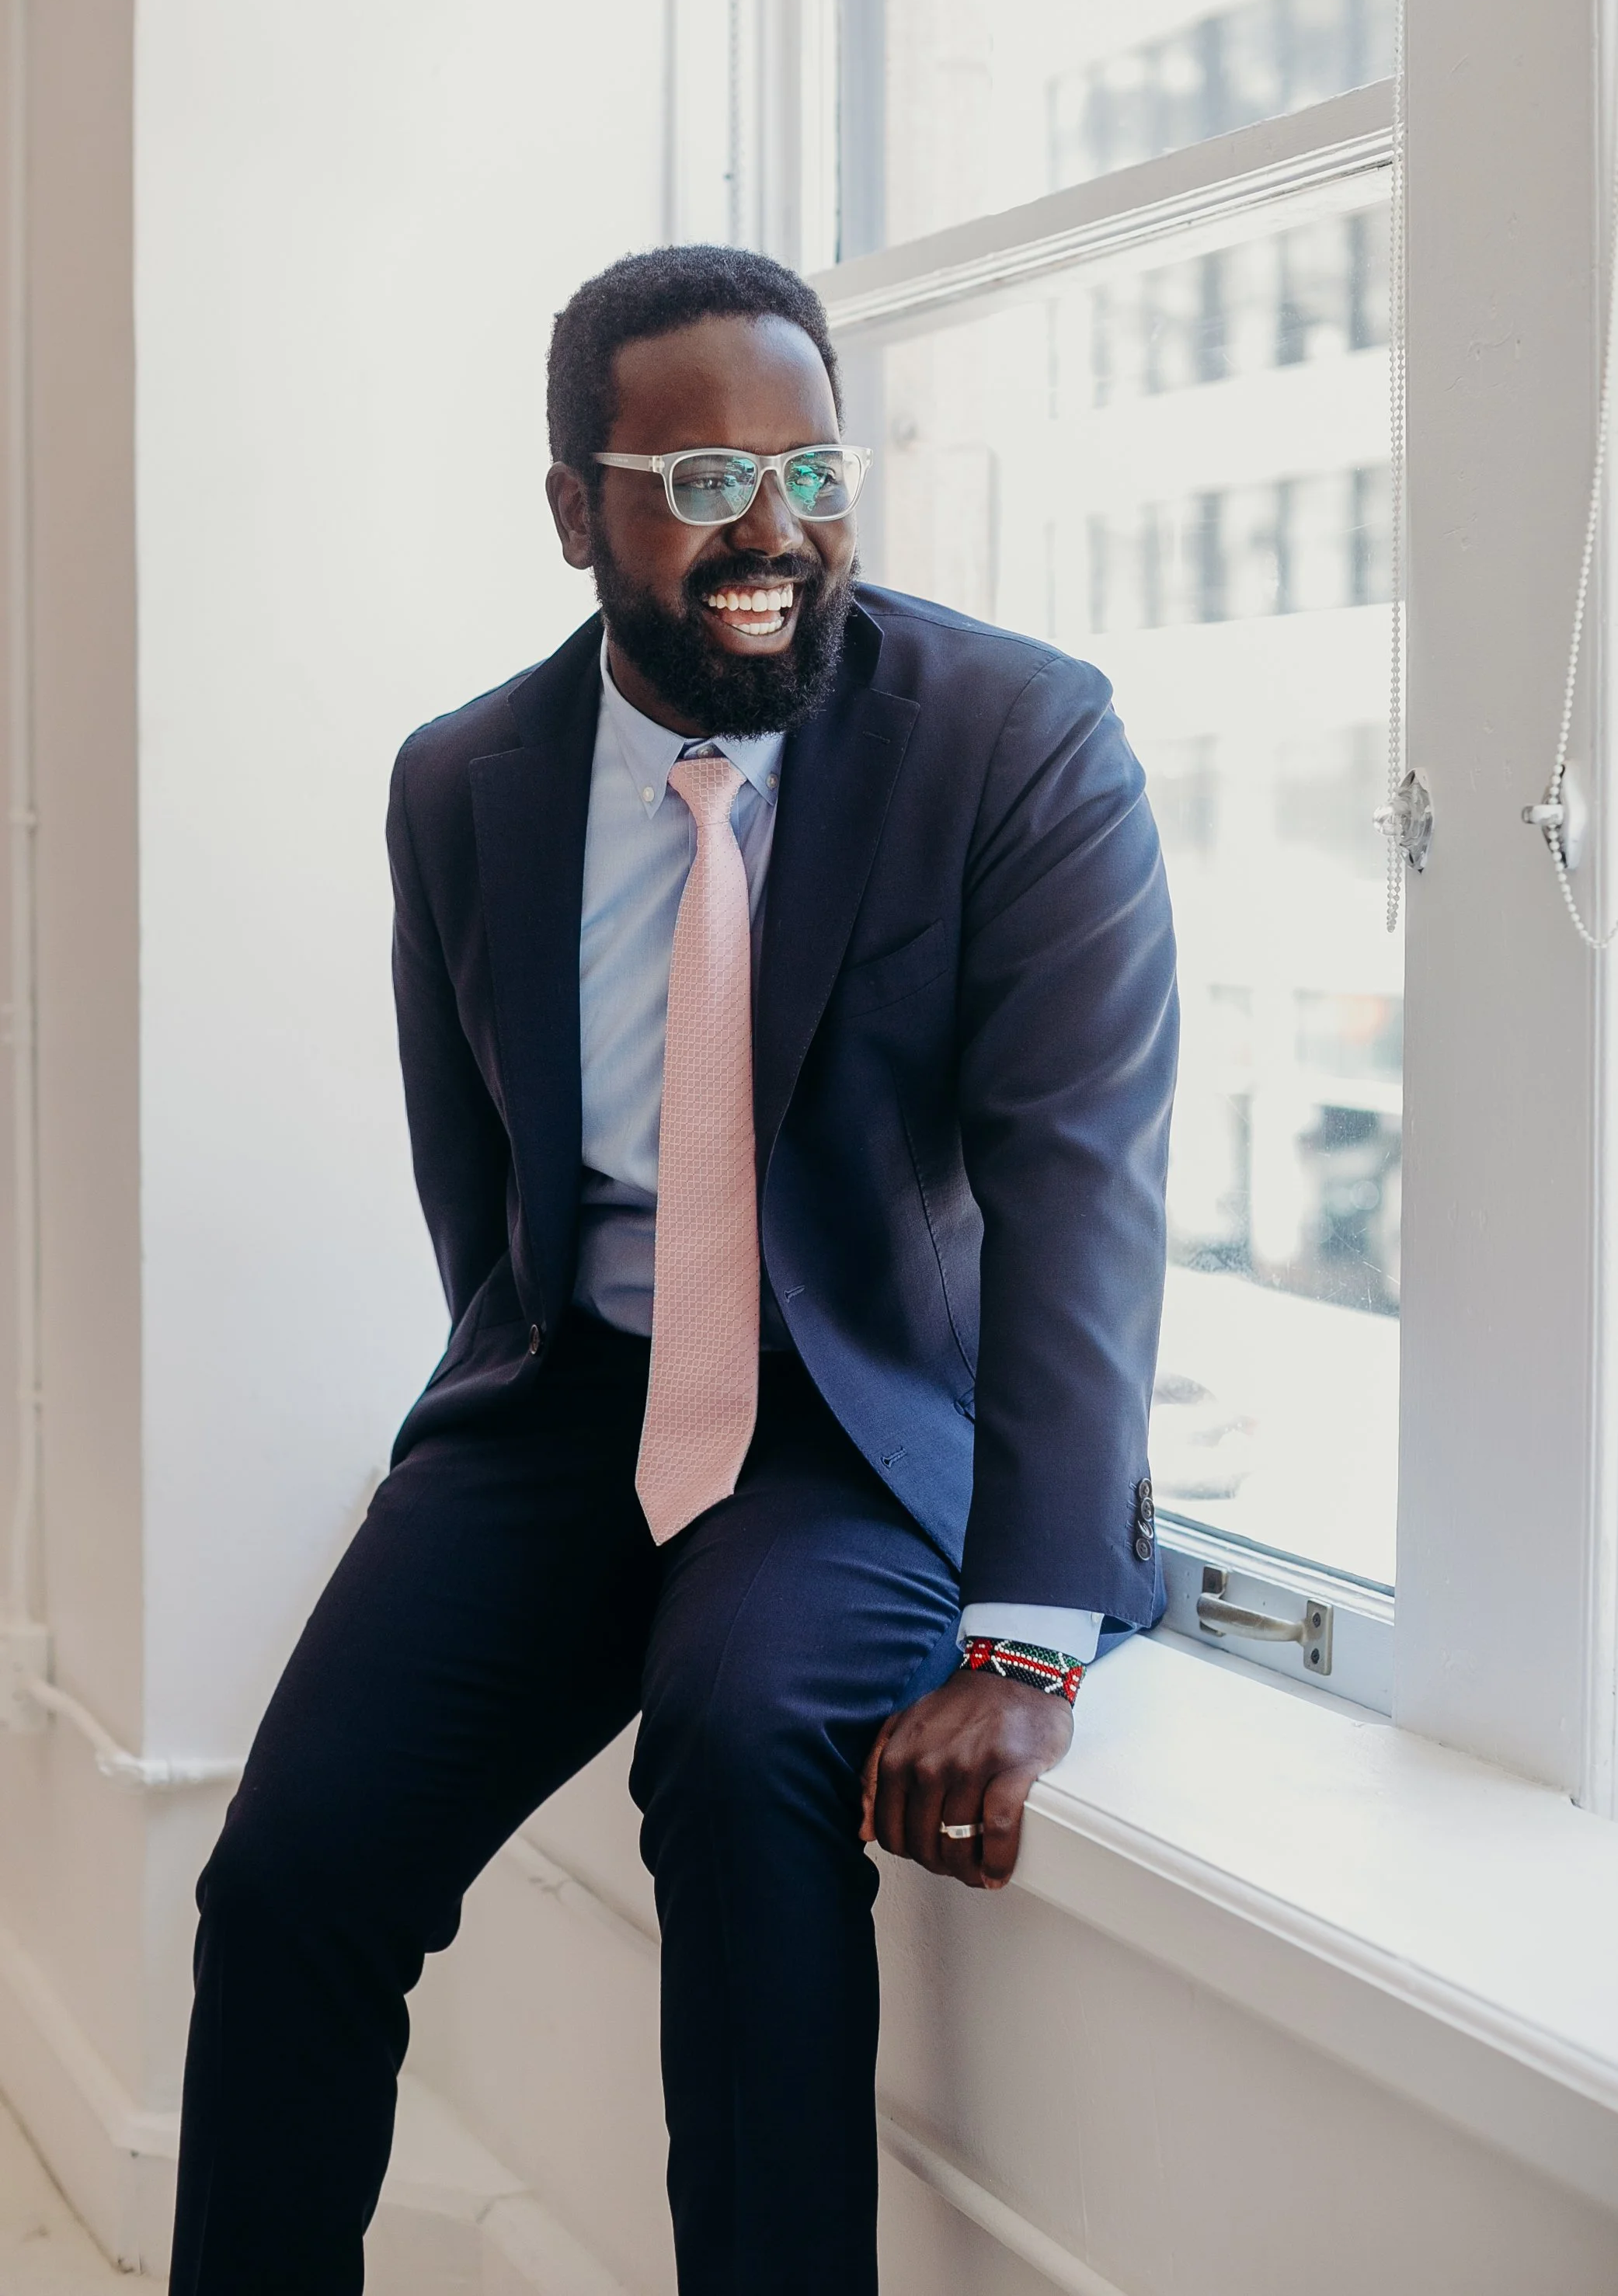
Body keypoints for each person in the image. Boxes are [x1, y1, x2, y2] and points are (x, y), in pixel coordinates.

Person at [167, 243, 1178, 2295]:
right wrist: (509, 1444)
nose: (777, 525)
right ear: (575, 514)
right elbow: (488, 1187)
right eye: (703, 482)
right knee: (289, 1875)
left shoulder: (1014, 739)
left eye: (812, 465)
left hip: (860, 1427)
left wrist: (1027, 1638)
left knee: (738, 1745)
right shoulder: (466, 782)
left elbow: (1081, 1193)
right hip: (571, 1407)